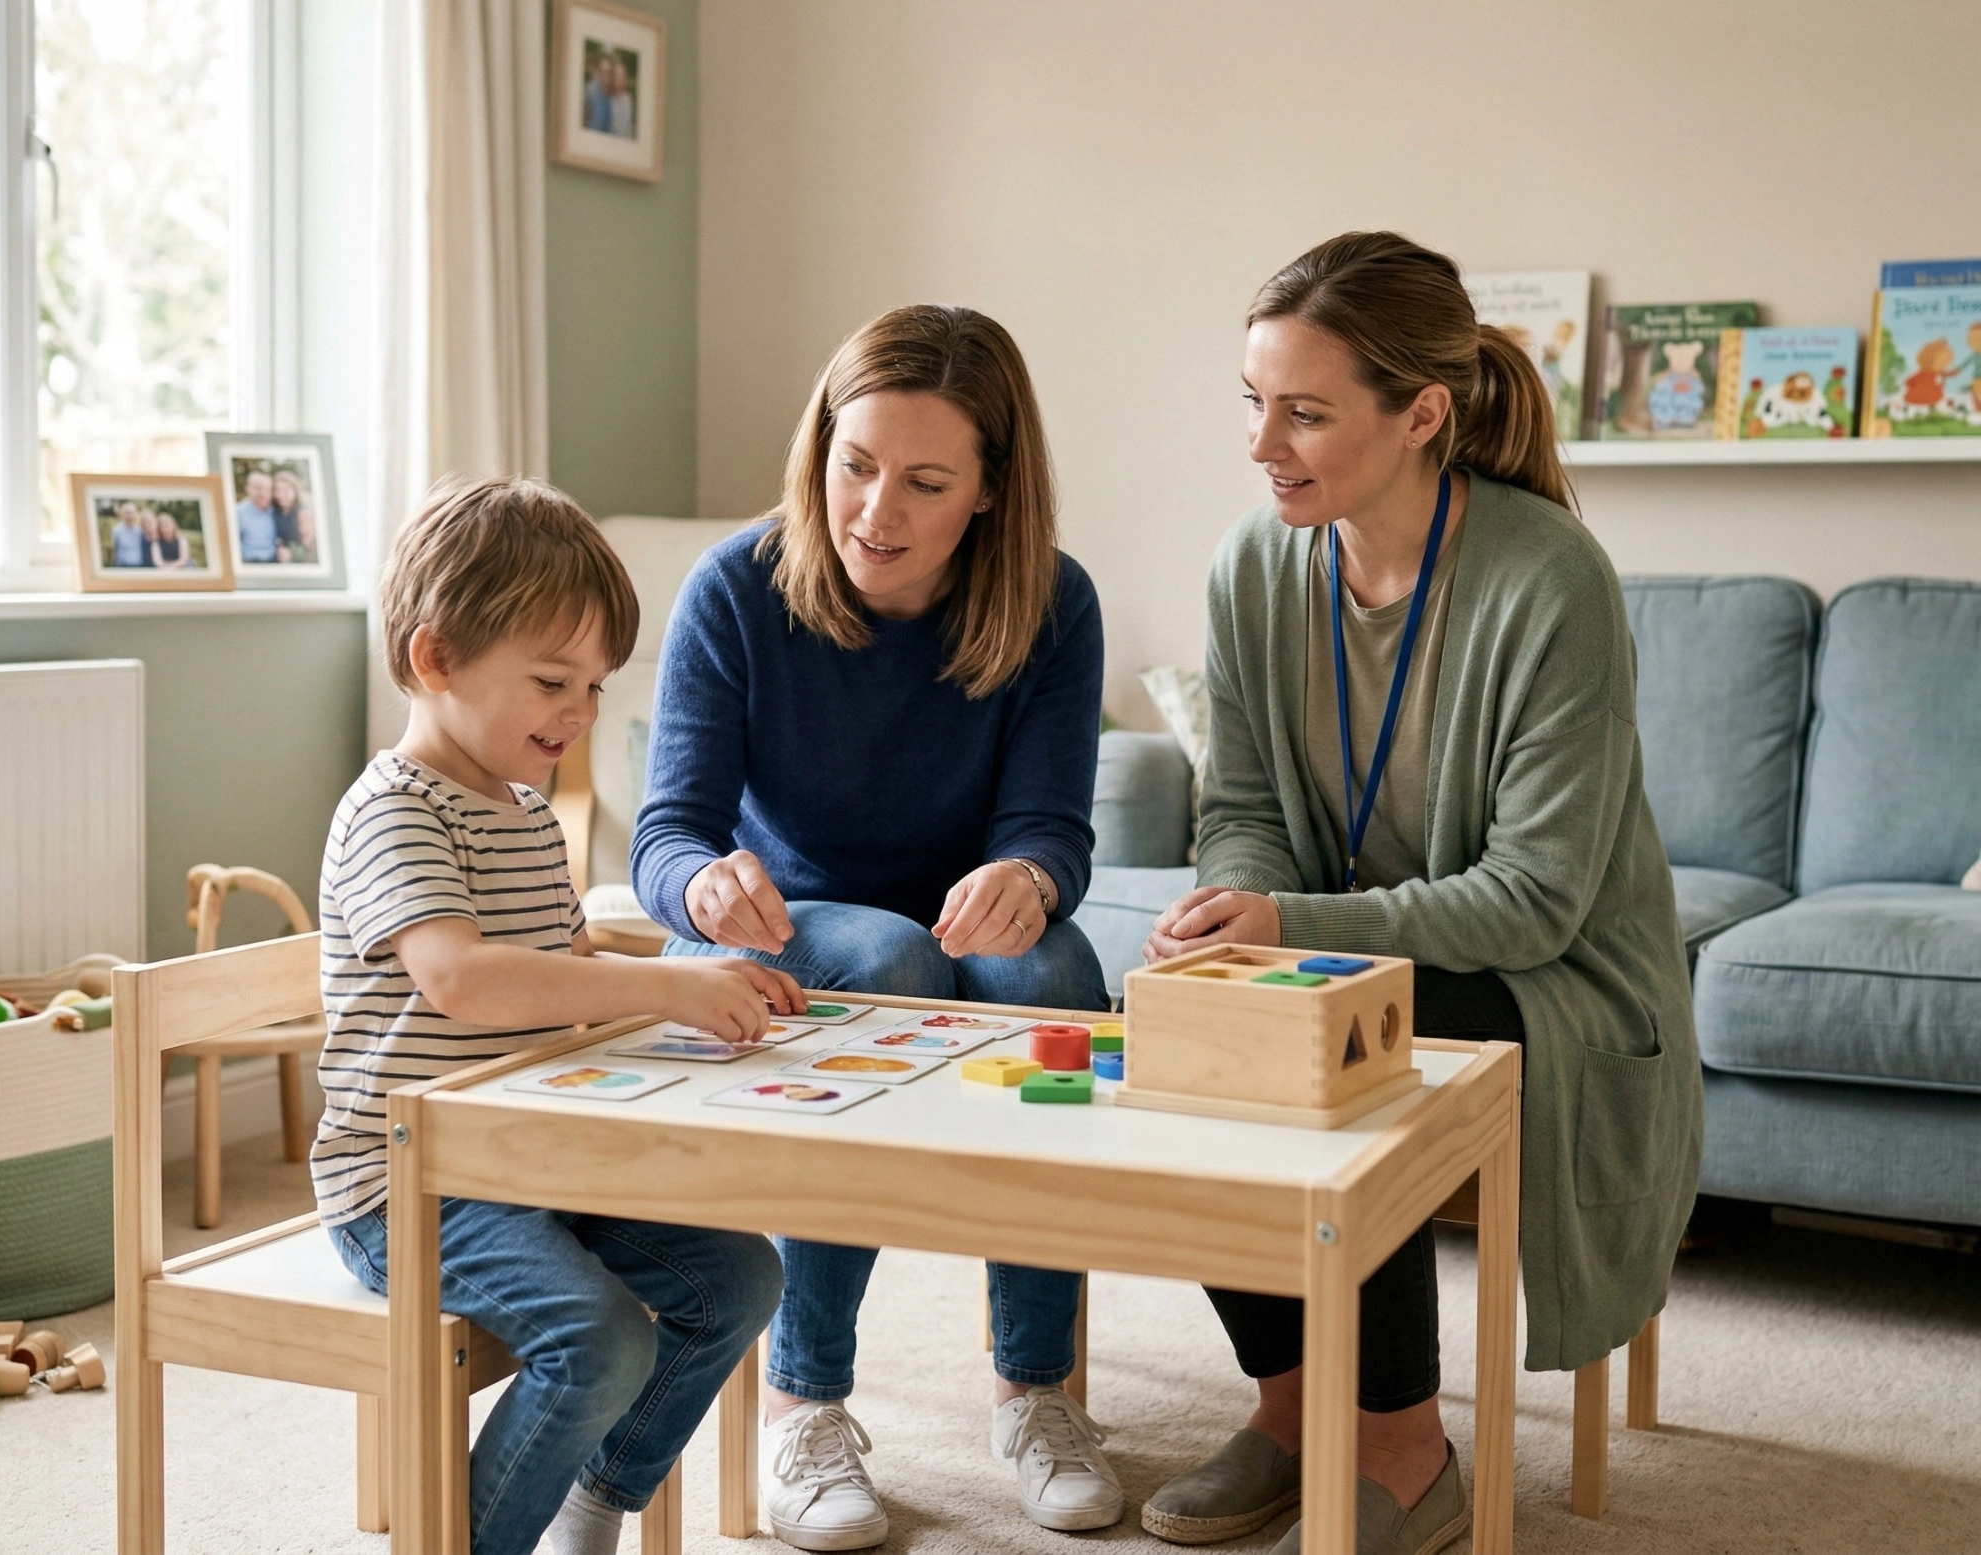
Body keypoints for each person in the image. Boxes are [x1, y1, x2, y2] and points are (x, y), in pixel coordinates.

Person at [1137, 233, 1702, 1555]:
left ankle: (1403, 1445)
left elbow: (1536, 901)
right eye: (1254, 400)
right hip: (1354, 956)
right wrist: (1237, 908)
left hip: (1550, 984)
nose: (1264, 440)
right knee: (1205, 1012)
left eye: (1307, 411)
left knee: (1342, 1048)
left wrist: (1291, 928)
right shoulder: (1255, 566)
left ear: (1423, 413)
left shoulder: (1547, 576)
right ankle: (1287, 1410)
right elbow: (1246, 810)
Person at [634, 305, 1118, 1547]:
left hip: (959, 925)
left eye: (923, 481)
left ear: (991, 492)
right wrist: (698, 887)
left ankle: (1036, 1385)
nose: (874, 511)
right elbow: (665, 833)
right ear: (819, 452)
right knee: (891, 960)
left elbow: (1053, 825)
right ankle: (803, 1400)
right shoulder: (735, 588)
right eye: (853, 465)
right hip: (782, 927)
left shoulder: (1052, 605)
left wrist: (1029, 872)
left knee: (1056, 968)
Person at [314, 475, 801, 1555]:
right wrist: (666, 986)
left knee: (741, 1275)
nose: (580, 714)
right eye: (551, 681)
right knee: (596, 1340)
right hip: (407, 1183)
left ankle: (594, 1500)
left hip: (527, 1153)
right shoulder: (394, 808)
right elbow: (466, 979)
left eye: (594, 684)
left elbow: (564, 964)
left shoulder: (526, 812)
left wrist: (695, 966)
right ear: (433, 658)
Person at [235, 469, 280, 564]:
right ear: (247, 488)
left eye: (266, 489)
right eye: (258, 488)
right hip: (246, 564)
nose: (262, 493)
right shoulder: (237, 513)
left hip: (273, 564)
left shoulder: (277, 511)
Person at [272, 469, 305, 561]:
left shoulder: (303, 512)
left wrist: (291, 554)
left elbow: (308, 546)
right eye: (277, 490)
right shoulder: (272, 510)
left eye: (286, 490)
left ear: (295, 491)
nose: (281, 495)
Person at [108, 501, 149, 568]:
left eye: (131, 513)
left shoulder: (140, 530)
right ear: (122, 514)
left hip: (139, 566)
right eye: (127, 513)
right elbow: (115, 549)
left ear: (135, 514)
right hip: (122, 567)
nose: (129, 516)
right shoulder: (116, 530)